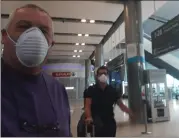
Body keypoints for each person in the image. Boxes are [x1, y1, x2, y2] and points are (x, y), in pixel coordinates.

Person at [1, 4, 72, 137]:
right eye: (23, 27)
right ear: (4, 36)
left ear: (51, 43)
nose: (34, 35)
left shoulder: (58, 90)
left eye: (43, 31)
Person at [84, 66, 134, 137]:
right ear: (97, 76)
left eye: (105, 73)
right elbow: (87, 106)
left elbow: (121, 105)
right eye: (100, 74)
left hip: (109, 122)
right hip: (96, 122)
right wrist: (89, 117)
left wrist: (130, 112)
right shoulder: (91, 90)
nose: (103, 75)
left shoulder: (113, 91)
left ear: (107, 75)